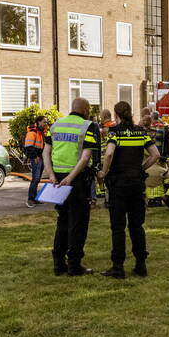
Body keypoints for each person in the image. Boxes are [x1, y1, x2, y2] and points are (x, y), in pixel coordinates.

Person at [97, 101, 161, 278]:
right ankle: (141, 264)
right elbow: (155, 154)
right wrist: (141, 168)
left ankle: (118, 266)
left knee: (118, 227)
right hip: (136, 184)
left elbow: (109, 153)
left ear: (117, 115)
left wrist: (104, 171)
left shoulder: (115, 132)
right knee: (136, 226)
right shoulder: (141, 132)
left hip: (118, 185)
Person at [43, 97, 101, 276]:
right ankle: (74, 265)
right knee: (78, 222)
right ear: (85, 110)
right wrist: (71, 177)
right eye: (89, 109)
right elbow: (85, 157)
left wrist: (51, 175)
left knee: (63, 220)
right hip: (76, 180)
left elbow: (46, 152)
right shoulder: (87, 126)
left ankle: (58, 263)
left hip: (57, 179)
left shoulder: (55, 125)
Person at [23, 115, 48, 207]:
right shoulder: (33, 132)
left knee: (37, 179)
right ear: (39, 122)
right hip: (36, 158)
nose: (46, 124)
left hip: (40, 157)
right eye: (44, 122)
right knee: (35, 179)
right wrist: (35, 157)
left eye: (46, 122)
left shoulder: (41, 132)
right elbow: (28, 146)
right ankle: (30, 200)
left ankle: (34, 198)